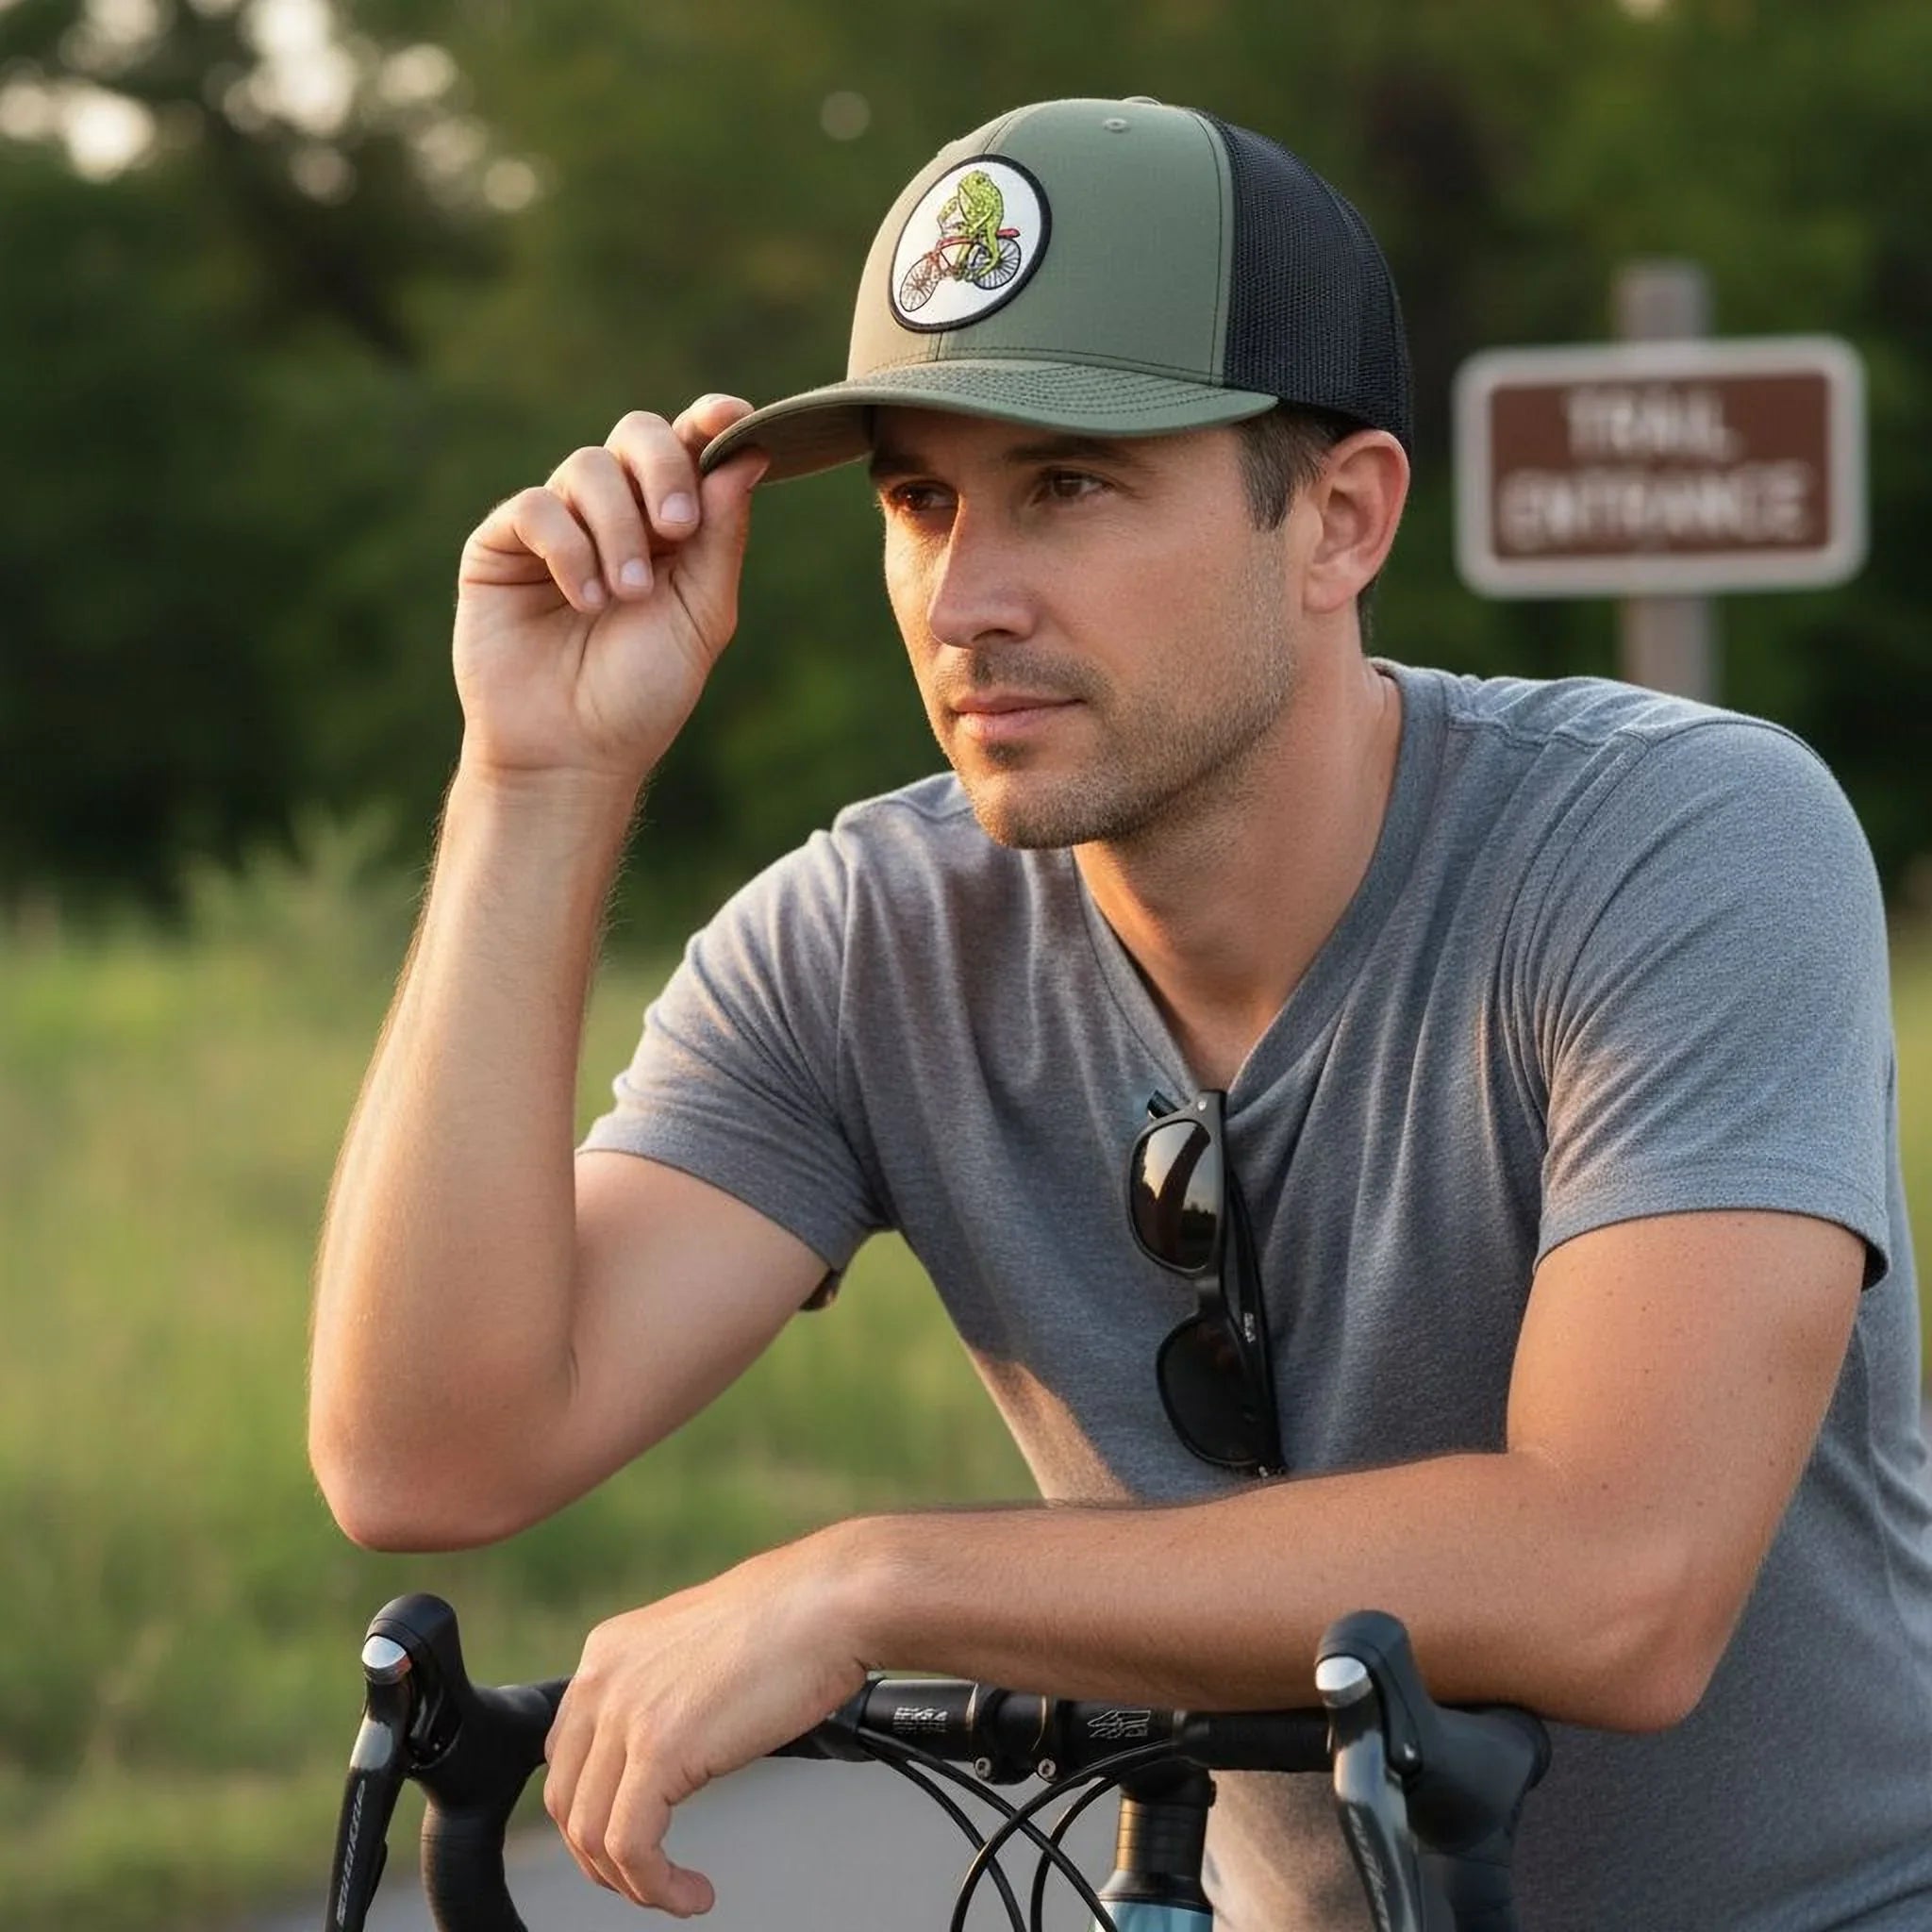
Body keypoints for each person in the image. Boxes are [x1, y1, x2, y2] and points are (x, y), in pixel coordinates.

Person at [308, 97, 1932, 1929]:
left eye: (1068, 483)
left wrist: (872, 1581)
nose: (966, 599)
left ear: (1336, 521)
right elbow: (431, 1446)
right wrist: (536, 778)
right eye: (922, 499)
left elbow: (1619, 1579)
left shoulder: (1678, 840)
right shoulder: (872, 936)